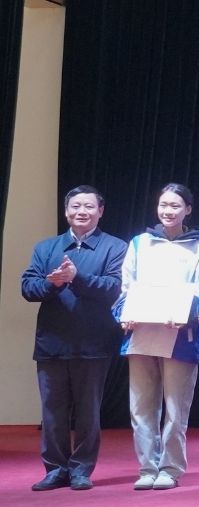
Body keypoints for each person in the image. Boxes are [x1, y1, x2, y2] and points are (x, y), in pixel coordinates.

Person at [21, 185, 128, 491]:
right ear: (66, 211)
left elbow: (113, 288)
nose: (82, 211)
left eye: (89, 206)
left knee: (88, 412)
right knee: (52, 412)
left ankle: (81, 470)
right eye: (76, 206)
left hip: (93, 343)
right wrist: (52, 283)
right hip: (51, 342)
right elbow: (28, 288)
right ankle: (55, 469)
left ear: (100, 211)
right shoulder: (46, 248)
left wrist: (76, 278)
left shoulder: (115, 247)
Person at [116, 183, 199, 490]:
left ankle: (170, 468)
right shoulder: (140, 243)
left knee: (176, 408)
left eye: (175, 206)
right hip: (141, 333)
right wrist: (125, 313)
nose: (168, 211)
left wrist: (184, 313)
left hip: (179, 334)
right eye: (163, 205)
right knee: (141, 406)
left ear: (188, 210)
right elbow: (126, 286)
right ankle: (147, 467)